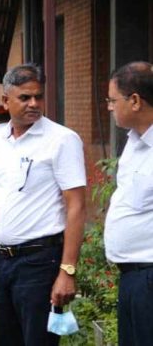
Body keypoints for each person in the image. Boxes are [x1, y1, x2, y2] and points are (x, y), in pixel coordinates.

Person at [0, 64, 86, 345]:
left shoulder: (61, 140)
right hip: (2, 262)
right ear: (6, 101)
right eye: (25, 98)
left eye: (38, 97)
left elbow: (77, 207)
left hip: (40, 262)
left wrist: (67, 271)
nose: (34, 104)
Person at [103, 61, 153, 345]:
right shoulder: (134, 141)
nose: (110, 107)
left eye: (112, 100)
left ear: (135, 101)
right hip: (132, 277)